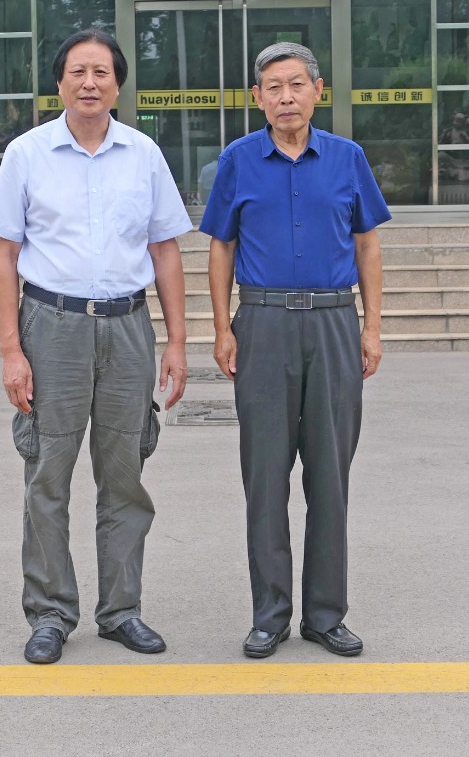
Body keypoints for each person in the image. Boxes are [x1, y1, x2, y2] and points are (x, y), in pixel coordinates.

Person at [0, 28, 192, 665]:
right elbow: (4, 257)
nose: (90, 83)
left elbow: (165, 251)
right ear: (60, 83)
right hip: (52, 327)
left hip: (128, 327)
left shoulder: (144, 154)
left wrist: (178, 341)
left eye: (102, 72)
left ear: (118, 84)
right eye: (78, 72)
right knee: (47, 473)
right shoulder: (27, 154)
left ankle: (122, 611)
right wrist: (12, 351)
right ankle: (50, 613)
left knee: (125, 476)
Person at [199, 41, 391, 659]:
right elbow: (221, 246)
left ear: (318, 90)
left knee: (330, 475)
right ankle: (270, 615)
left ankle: (326, 615)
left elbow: (367, 244)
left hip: (334, 322)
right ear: (257, 98)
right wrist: (222, 327)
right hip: (262, 322)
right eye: (273, 87)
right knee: (264, 476)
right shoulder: (237, 160)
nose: (286, 97)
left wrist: (371, 327)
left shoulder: (347, 157)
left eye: (296, 84)